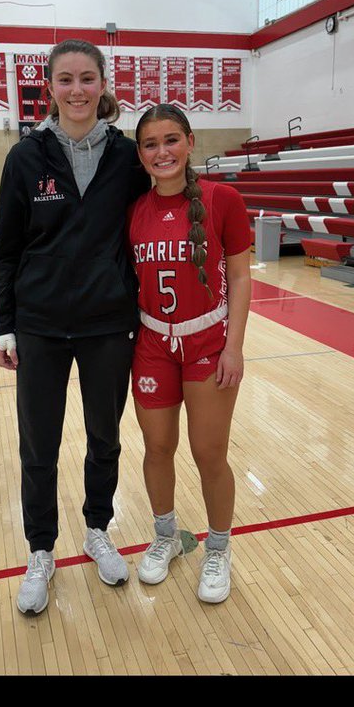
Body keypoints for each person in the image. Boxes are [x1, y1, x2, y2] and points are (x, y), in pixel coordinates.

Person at [0, 38, 150, 615]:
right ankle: (40, 550)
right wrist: (5, 324)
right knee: (39, 444)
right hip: (40, 324)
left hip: (108, 323)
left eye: (87, 78)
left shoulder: (128, 157)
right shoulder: (24, 158)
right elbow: (6, 252)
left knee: (105, 438)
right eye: (66, 80)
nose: (77, 90)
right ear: (50, 88)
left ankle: (97, 530)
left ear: (102, 84)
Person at [128, 104, 251, 604]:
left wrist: (234, 347)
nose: (162, 152)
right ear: (140, 154)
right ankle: (167, 537)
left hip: (207, 343)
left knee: (208, 453)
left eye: (171, 140)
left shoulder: (223, 199)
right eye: (151, 144)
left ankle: (218, 548)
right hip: (152, 344)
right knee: (157, 447)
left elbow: (240, 276)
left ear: (190, 142)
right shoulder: (134, 209)